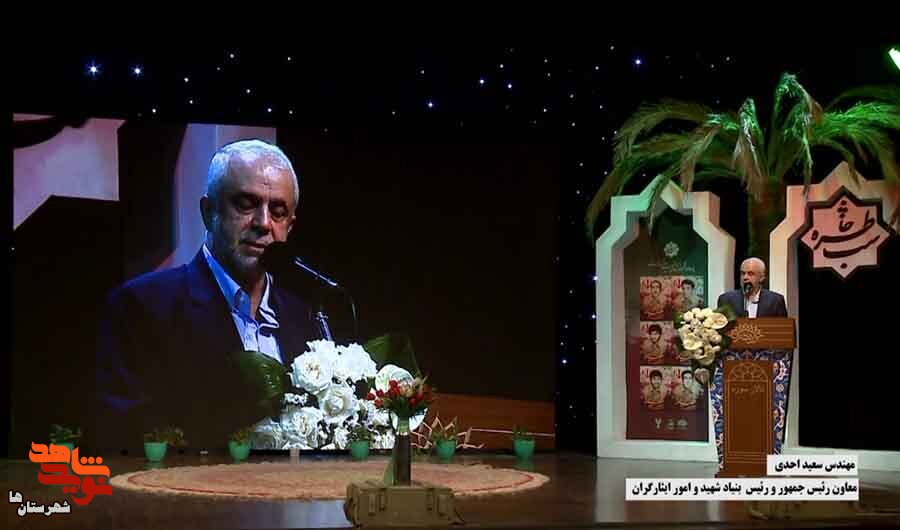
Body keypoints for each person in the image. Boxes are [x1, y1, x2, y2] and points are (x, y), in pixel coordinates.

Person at [96, 139, 320, 452]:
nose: (263, 223)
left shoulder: (306, 316)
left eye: (278, 211)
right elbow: (125, 433)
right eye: (246, 204)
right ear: (208, 211)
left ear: (290, 226)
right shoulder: (141, 307)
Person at [717, 257, 787, 318]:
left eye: (750, 274)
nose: (745, 277)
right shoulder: (726, 300)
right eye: (743, 273)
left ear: (761, 277)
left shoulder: (776, 301)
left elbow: (783, 327)